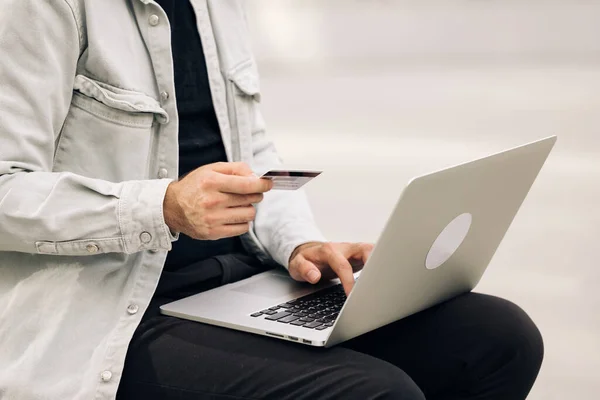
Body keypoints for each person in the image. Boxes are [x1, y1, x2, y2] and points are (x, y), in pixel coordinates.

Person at [0, 1, 544, 399]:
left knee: (499, 339)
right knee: (375, 394)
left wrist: (299, 243)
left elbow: (251, 150)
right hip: (111, 311)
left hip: (241, 282)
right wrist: (162, 206)